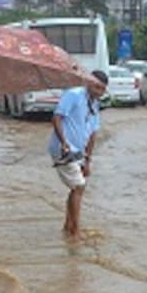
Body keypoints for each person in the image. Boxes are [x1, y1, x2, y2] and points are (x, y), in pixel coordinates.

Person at [48, 70, 108, 238]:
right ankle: (75, 231)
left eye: (102, 89)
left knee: (76, 187)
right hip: (63, 149)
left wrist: (88, 160)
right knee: (79, 187)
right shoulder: (73, 95)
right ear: (88, 83)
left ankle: (68, 226)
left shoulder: (94, 104)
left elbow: (93, 134)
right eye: (96, 87)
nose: (99, 92)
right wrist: (64, 143)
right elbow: (57, 118)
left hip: (79, 152)